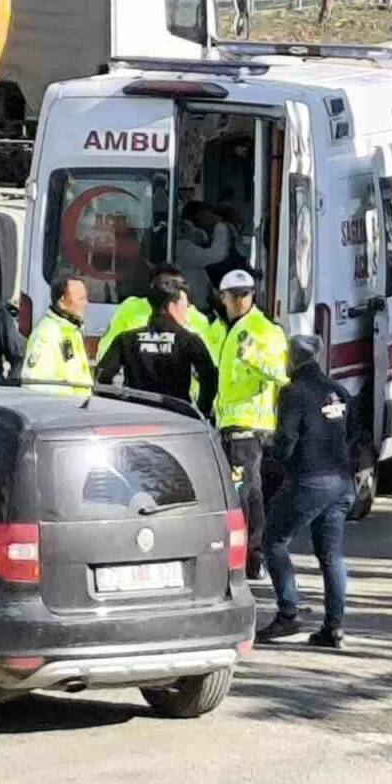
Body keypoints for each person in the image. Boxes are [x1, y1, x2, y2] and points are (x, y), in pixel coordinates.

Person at [256, 336, 356, 649]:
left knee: (273, 540)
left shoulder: (293, 392)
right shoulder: (338, 390)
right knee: (331, 554)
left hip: (311, 479)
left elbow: (286, 441)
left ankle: (288, 613)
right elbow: (351, 432)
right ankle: (333, 626)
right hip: (342, 480)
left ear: (291, 359)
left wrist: (274, 456)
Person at [213, 269, 288, 580]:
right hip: (228, 424)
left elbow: (281, 374)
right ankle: (244, 557)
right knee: (239, 494)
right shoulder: (227, 328)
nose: (242, 301)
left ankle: (254, 559)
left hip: (250, 425)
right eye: (236, 296)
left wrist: (254, 357)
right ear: (224, 298)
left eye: (246, 295)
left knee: (247, 494)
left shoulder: (263, 329)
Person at [95, 273, 218, 416]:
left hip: (138, 416)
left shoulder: (126, 339)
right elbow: (210, 378)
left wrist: (123, 405)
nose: (187, 312)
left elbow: (102, 380)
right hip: (178, 419)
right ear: (172, 307)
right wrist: (200, 412)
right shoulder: (189, 341)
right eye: (185, 306)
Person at [96, 263, 212, 363]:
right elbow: (107, 349)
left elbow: (206, 360)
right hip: (137, 386)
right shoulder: (131, 308)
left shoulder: (196, 318)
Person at [23, 274, 91, 392]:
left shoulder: (72, 330)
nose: (86, 304)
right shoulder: (47, 333)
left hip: (78, 408)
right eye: (80, 299)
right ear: (62, 301)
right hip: (63, 408)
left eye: (85, 298)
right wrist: (68, 401)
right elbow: (34, 383)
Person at [176, 202, 232, 309]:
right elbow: (217, 255)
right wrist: (219, 226)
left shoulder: (187, 244)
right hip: (193, 307)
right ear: (200, 215)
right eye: (208, 213)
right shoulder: (183, 247)